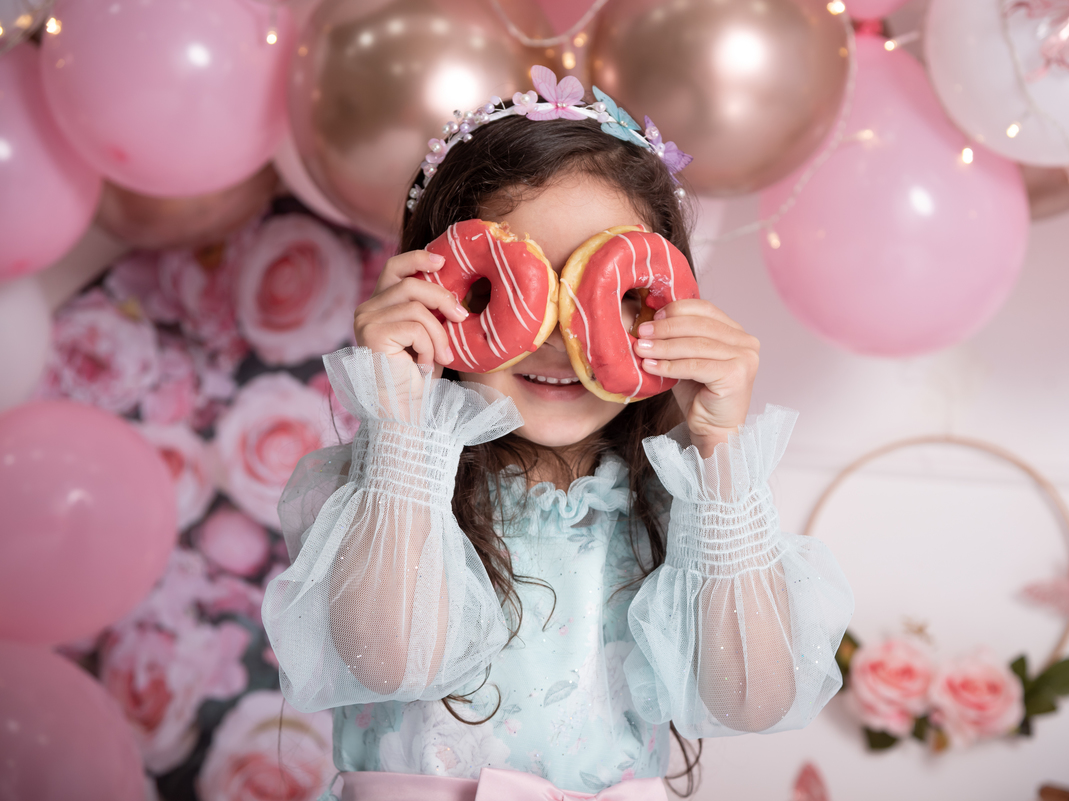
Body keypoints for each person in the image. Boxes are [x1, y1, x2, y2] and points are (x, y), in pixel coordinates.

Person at [263, 67, 854, 801]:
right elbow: (388, 659)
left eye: (615, 295)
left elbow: (752, 699)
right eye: (505, 289)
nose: (559, 341)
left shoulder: (682, 509)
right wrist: (403, 415)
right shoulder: (386, 489)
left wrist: (721, 450)